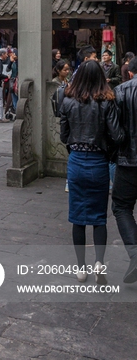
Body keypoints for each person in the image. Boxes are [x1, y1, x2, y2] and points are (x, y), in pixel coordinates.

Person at [60, 60, 124, 283]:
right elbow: (117, 136)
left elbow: (63, 135)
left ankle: (80, 268)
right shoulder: (107, 103)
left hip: (76, 162)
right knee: (99, 218)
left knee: (77, 218)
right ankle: (99, 262)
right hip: (99, 162)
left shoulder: (67, 101)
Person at [112, 56, 137, 283]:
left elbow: (115, 131)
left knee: (121, 206)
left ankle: (134, 253)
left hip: (128, 160)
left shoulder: (120, 91)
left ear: (130, 72)